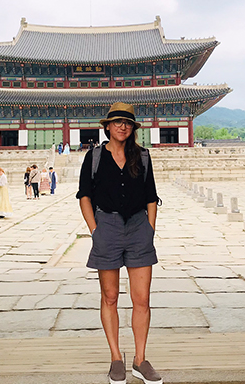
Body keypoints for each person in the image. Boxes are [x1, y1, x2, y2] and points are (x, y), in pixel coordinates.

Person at [76, 102, 162, 384]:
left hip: (139, 227)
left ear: (133, 128)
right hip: (107, 227)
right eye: (117, 122)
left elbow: (151, 196)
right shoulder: (95, 157)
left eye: (127, 122)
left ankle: (140, 358)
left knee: (142, 299)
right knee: (110, 297)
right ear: (107, 127)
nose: (122, 126)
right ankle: (116, 357)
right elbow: (84, 195)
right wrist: (94, 230)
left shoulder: (143, 157)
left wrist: (150, 229)